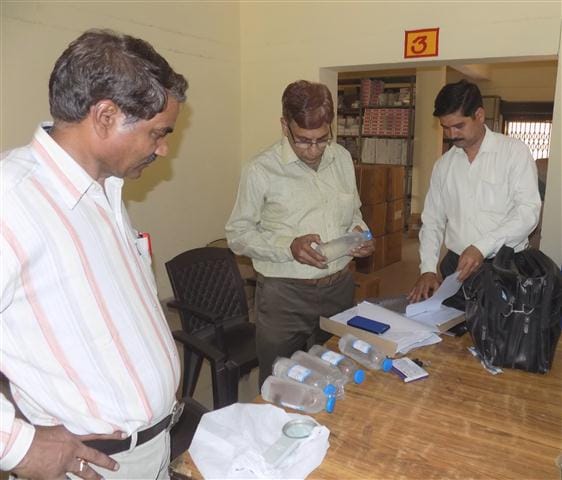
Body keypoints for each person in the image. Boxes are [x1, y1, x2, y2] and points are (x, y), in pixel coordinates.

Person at [0, 29, 188, 479]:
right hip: (93, 465)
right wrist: (18, 446)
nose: (163, 148)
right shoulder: (12, 199)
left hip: (152, 448)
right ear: (105, 116)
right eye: (157, 133)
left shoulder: (104, 189)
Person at [225, 80, 374, 386]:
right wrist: (288, 247)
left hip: (338, 289)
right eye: (304, 141)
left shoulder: (342, 159)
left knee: (337, 373)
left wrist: (360, 233)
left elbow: (354, 213)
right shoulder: (260, 169)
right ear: (285, 126)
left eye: (322, 139)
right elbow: (237, 234)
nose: (314, 150)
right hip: (285, 296)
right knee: (282, 380)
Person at [408, 79, 541, 308]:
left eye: (459, 126)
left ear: (479, 115)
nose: (452, 134)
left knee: (498, 328)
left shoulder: (513, 153)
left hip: (503, 266)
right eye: (445, 127)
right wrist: (427, 269)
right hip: (456, 267)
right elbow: (433, 221)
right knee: (451, 326)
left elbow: (528, 213)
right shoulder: (444, 165)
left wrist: (482, 246)